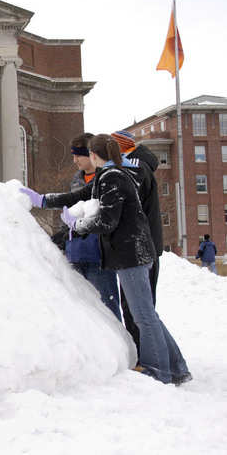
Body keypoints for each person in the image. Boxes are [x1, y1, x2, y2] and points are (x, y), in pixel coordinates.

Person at [21, 135, 191, 385]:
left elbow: (107, 221)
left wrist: (76, 225)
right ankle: (176, 367)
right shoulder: (108, 175)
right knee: (145, 313)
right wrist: (44, 200)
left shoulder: (113, 178)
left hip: (131, 254)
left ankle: (159, 371)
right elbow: (78, 195)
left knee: (142, 315)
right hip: (130, 252)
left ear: (94, 155)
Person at [111, 129, 164, 355]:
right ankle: (155, 358)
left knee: (140, 311)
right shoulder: (137, 166)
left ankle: (152, 359)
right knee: (141, 309)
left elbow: (126, 211)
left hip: (139, 249)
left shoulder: (135, 169)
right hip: (144, 247)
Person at [58, 133, 121, 320]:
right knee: (83, 316)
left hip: (99, 258)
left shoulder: (108, 179)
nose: (74, 160)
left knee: (108, 312)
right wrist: (63, 235)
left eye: (79, 155)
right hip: (76, 255)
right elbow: (72, 213)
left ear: (92, 154)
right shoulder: (76, 181)